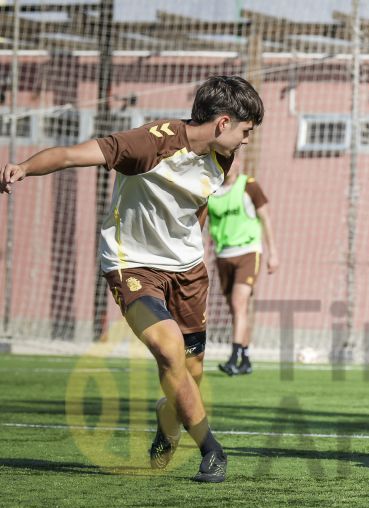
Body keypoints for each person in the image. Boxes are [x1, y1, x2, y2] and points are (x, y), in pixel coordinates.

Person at [1, 75, 264, 483]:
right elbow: (71, 155)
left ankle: (167, 422)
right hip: (132, 266)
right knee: (168, 349)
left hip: (189, 272)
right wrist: (24, 167)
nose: (247, 141)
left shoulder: (221, 157)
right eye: (246, 131)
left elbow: (195, 204)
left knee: (190, 373)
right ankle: (212, 450)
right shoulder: (149, 144)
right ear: (223, 123)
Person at [208, 154, 279, 376]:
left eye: (232, 161)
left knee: (239, 304)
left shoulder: (249, 186)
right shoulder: (210, 190)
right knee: (236, 310)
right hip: (223, 255)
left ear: (238, 163)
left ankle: (233, 358)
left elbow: (265, 219)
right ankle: (246, 359)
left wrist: (273, 253)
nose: (228, 165)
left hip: (248, 252)